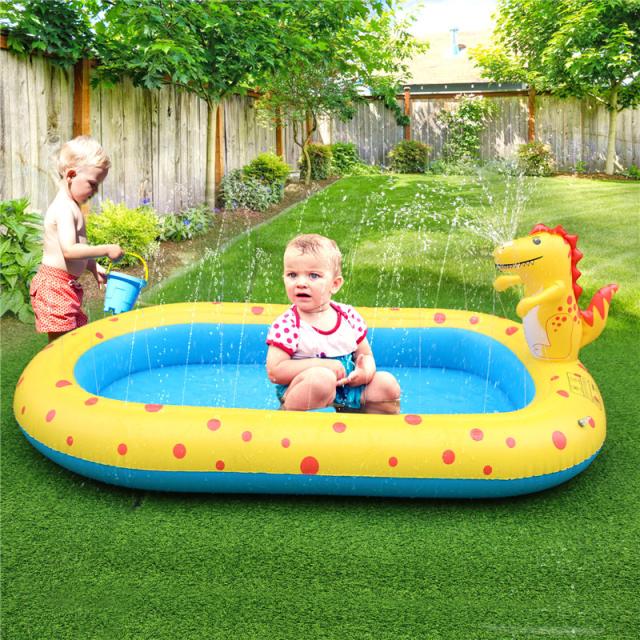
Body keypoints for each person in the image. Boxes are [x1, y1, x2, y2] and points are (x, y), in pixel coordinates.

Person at [266, 234, 401, 413]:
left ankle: (363, 424)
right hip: (306, 390)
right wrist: (321, 365)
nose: (301, 283)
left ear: (335, 284)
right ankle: (288, 417)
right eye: (292, 275)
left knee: (386, 384)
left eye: (313, 275)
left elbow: (365, 355)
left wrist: (365, 371)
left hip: (348, 389)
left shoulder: (348, 317)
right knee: (321, 380)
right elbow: (275, 372)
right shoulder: (288, 324)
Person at [30, 136, 124, 341]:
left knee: (71, 339)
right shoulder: (64, 208)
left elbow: (77, 249)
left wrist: (92, 266)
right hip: (55, 286)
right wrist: (106, 249)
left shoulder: (71, 206)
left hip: (64, 285)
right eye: (92, 184)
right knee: (61, 344)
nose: (95, 191)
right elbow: (69, 250)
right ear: (71, 175)